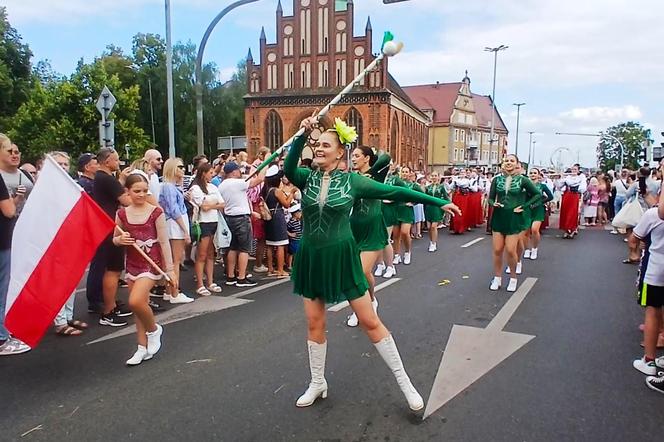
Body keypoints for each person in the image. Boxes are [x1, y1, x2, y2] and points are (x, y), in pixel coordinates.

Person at [285, 116, 459, 411]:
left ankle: (406, 384)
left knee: (370, 321)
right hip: (311, 257)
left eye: (326, 145)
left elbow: (396, 192)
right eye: (317, 145)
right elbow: (289, 166)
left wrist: (435, 202)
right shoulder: (307, 177)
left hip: (342, 256)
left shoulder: (354, 181)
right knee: (315, 322)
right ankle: (317, 382)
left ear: (340, 153)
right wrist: (303, 134)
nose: (319, 149)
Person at [114, 174, 175, 365]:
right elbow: (115, 238)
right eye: (136, 191)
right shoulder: (122, 214)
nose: (141, 194)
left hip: (151, 263)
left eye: (144, 190)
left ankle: (154, 330)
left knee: (135, 301)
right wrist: (119, 240)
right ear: (128, 192)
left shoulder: (156, 212)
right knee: (139, 308)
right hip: (132, 263)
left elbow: (164, 242)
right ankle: (141, 347)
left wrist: (171, 269)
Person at [347, 146, 391, 327]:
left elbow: (386, 158)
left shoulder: (377, 176)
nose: (353, 159)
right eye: (353, 156)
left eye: (357, 156)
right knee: (356, 274)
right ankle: (368, 302)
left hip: (372, 229)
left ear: (367, 158)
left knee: (363, 272)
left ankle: (367, 304)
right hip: (354, 229)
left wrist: (370, 173)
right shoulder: (351, 178)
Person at [89, 147, 133, 325]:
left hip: (106, 225)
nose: (119, 162)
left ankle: (111, 304)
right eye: (116, 160)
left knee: (111, 269)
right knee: (113, 270)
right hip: (111, 227)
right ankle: (108, 311)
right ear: (107, 161)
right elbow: (127, 201)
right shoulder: (107, 179)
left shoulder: (100, 178)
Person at [49, 152, 89, 336]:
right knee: (59, 282)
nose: (63, 167)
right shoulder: (47, 189)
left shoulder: (72, 185)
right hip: (55, 239)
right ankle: (60, 321)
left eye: (66, 164)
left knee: (71, 280)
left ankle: (68, 315)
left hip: (71, 238)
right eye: (59, 164)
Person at [488, 155, 540, 292]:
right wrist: (494, 204)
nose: (508, 163)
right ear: (502, 164)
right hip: (499, 217)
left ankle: (513, 277)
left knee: (511, 250)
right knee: (497, 250)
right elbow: (490, 198)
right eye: (506, 161)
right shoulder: (496, 180)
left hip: (514, 218)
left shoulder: (523, 180)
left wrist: (524, 206)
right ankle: (497, 278)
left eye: (512, 161)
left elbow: (537, 194)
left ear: (517, 164)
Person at [0, 135, 30, 355]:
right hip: (3, 239)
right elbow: (9, 211)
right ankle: (2, 338)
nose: (13, 153)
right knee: (3, 288)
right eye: (8, 149)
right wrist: (16, 200)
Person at [217, 161, 266, 287]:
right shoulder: (238, 183)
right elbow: (260, 179)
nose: (240, 172)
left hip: (229, 217)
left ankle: (231, 276)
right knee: (244, 249)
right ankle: (241, 277)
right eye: (238, 170)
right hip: (241, 218)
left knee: (232, 247)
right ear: (233, 172)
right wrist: (265, 164)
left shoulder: (222, 186)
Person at [631, 206, 664, 393]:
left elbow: (634, 238)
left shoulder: (654, 214)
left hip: (656, 268)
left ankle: (649, 360)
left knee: (652, 309)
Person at [159, 158, 194, 304]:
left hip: (176, 222)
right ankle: (175, 292)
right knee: (175, 260)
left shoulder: (171, 186)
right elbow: (173, 209)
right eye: (180, 167)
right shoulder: (168, 186)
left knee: (173, 260)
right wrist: (185, 230)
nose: (183, 169)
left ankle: (169, 291)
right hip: (175, 224)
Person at [190, 163, 225, 296]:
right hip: (202, 223)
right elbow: (203, 206)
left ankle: (210, 282)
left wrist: (211, 205)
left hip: (213, 221)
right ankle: (200, 284)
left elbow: (222, 204)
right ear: (203, 173)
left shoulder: (213, 187)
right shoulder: (196, 188)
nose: (212, 175)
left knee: (211, 253)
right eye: (210, 173)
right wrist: (213, 204)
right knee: (202, 254)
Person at [263, 165, 293, 278]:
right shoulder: (276, 191)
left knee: (270, 244)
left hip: (268, 218)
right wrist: (291, 193)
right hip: (277, 217)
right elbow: (286, 204)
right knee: (281, 244)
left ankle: (270, 269)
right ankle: (280, 270)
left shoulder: (265, 190)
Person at [523, 168, 553, 260]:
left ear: (538, 175)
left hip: (538, 210)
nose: (532, 175)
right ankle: (527, 249)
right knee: (525, 231)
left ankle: (534, 248)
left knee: (535, 229)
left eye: (535, 173)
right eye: (531, 173)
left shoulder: (542, 186)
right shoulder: (525, 186)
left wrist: (541, 202)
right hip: (527, 209)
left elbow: (550, 197)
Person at [0, 141, 34, 216]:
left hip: (27, 221)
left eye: (16, 152)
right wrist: (18, 199)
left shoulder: (26, 174)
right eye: (9, 152)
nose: (14, 156)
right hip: (6, 224)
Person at [557, 165, 587, 239]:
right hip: (566, 196)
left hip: (574, 196)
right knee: (565, 212)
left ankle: (572, 229)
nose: (573, 171)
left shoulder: (580, 178)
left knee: (573, 213)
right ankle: (566, 230)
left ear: (578, 170)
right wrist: (560, 178)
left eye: (575, 169)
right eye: (572, 169)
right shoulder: (567, 177)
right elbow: (559, 186)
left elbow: (582, 188)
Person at [424, 171, 449, 252]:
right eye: (432, 176)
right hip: (429, 208)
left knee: (434, 226)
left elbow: (445, 198)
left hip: (437, 208)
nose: (434, 177)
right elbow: (425, 198)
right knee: (428, 227)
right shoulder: (428, 187)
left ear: (438, 177)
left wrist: (446, 206)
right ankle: (431, 241)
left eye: (435, 176)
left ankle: (434, 243)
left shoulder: (441, 187)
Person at [286, 204, 302, 269]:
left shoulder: (298, 221)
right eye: (300, 213)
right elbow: (285, 229)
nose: (301, 214)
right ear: (295, 213)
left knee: (297, 252)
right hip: (293, 240)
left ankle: (296, 264)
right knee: (291, 253)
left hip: (299, 239)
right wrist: (290, 234)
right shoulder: (291, 222)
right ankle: (289, 265)